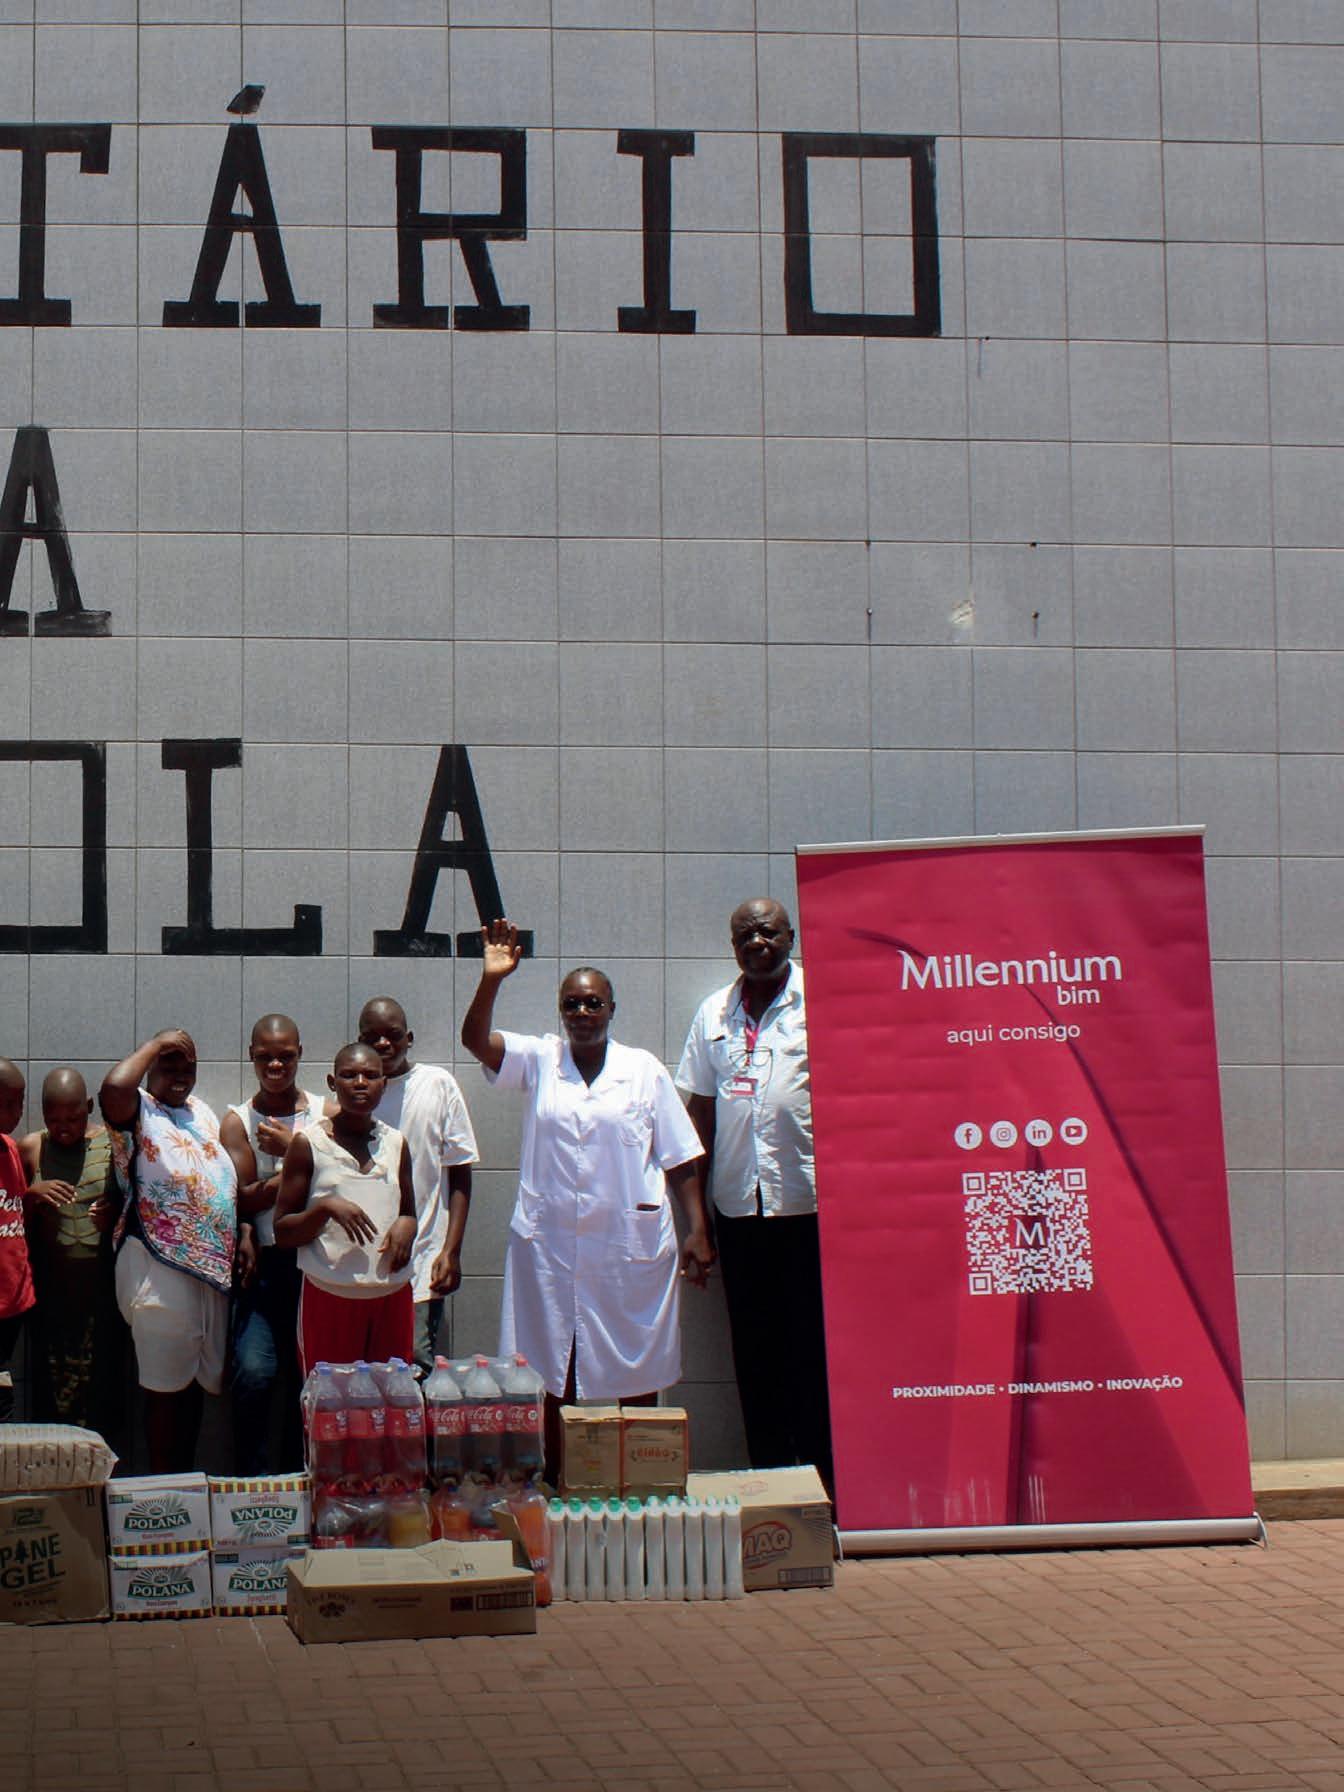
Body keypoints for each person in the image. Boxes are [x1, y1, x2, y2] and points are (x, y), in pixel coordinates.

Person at [461, 919, 715, 1480]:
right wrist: (492, 978)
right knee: (554, 1361)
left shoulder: (643, 1070)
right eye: (571, 1004)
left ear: (611, 1009)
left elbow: (680, 1157)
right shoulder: (539, 1059)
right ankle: (560, 1479)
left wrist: (698, 1228)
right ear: (560, 1012)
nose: (581, 1012)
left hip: (627, 1245)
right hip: (550, 1244)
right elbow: (476, 1041)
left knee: (637, 1360)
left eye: (592, 1003)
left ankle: (643, 1478)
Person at [676, 897, 833, 1489]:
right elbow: (698, 1119)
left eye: (767, 932)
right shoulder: (714, 1012)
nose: (756, 943)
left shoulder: (823, 1002)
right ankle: (772, 1487)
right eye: (744, 935)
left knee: (813, 1354)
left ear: (791, 936)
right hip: (739, 1211)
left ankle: (824, 1489)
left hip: (811, 1210)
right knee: (755, 1356)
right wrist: (698, 1225)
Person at [100, 1030, 253, 1473]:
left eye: (188, 1067)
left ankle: (184, 1490)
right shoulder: (139, 1108)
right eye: (169, 1066)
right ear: (150, 1069)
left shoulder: (200, 1112)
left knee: (193, 1393)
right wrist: (157, 1043)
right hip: (160, 1269)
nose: (180, 1076)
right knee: (164, 1395)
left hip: (209, 1277)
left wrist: (243, 1229)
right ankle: (165, 1494)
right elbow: (114, 1087)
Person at [273, 1043, 416, 1373]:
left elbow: (408, 1212)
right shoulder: (309, 1144)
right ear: (332, 1083)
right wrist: (326, 1208)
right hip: (330, 1296)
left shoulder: (396, 1143)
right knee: (330, 1399)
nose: (361, 1083)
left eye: (371, 1075)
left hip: (391, 1296)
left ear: (384, 1083)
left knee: (389, 1398)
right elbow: (282, 1232)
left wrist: (407, 1225)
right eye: (349, 1075)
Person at [220, 1014, 322, 1473]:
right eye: (265, 1057)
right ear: (251, 1056)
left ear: (300, 1054)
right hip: (262, 1267)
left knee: (310, 1380)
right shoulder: (238, 1120)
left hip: (314, 1265)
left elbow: (345, 1179)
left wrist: (293, 1152)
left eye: (285, 1056)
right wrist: (303, 1162)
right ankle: (253, 1486)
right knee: (254, 1374)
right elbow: (244, 1198)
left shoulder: (324, 1113)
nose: (275, 1066)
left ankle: (303, 1480)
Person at [356, 997, 477, 1374]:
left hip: (424, 1261)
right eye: (372, 1037)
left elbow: (460, 1172)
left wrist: (451, 1251)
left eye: (392, 1035)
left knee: (415, 1364)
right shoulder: (355, 1090)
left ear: (408, 1038)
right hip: (364, 1267)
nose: (383, 1044)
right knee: (367, 1373)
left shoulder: (437, 1084)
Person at [18, 1067, 122, 1433]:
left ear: (90, 1107)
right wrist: (30, 1197)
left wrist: (114, 1213)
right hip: (52, 1300)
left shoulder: (112, 1147)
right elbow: (9, 1217)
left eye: (73, 1119)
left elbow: (139, 1208)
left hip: (102, 1298)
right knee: (53, 1396)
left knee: (101, 1395)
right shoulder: (33, 1148)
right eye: (54, 1119)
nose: (64, 1128)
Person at [0, 1058, 33, 1424]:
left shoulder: (10, 1148)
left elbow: (15, 1207)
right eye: (6, 1104)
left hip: (12, 1303)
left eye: (19, 1102)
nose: (15, 1112)